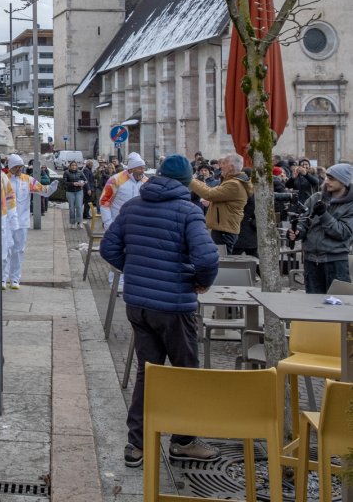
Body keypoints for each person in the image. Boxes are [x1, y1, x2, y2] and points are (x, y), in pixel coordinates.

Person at [100, 155, 220, 469]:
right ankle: (183, 441)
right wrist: (201, 282)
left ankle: (136, 444)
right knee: (184, 372)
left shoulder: (132, 207)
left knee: (148, 371)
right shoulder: (188, 211)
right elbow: (207, 258)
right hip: (174, 306)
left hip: (138, 305)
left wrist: (135, 271)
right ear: (186, 182)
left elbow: (108, 248)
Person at [286, 162, 353, 293]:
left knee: (337, 302)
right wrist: (298, 232)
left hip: (335, 262)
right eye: (327, 177)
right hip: (311, 261)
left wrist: (324, 215)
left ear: (343, 181)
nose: (327, 181)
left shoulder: (350, 205)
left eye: (332, 178)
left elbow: (343, 232)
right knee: (313, 304)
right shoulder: (316, 198)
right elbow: (304, 222)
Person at [4, 154, 56, 289]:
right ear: (11, 167)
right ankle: (2, 278)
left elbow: (43, 191)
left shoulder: (27, 180)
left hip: (22, 221)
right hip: (6, 222)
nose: (19, 169)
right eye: (16, 167)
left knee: (18, 250)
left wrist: (50, 189)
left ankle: (15, 279)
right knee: (5, 250)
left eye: (20, 167)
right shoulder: (3, 180)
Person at [188, 153, 252, 254]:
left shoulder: (234, 184)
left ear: (231, 167)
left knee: (223, 261)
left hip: (224, 232)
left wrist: (189, 180)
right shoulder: (231, 181)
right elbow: (211, 192)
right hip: (223, 230)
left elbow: (209, 194)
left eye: (224, 163)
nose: (221, 166)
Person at [98, 152, 148, 230]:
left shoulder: (146, 181)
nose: (142, 171)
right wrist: (108, 223)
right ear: (131, 169)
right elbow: (104, 201)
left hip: (137, 225)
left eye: (143, 168)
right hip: (118, 224)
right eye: (140, 168)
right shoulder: (116, 179)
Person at [63, 160, 86, 228]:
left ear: (77, 166)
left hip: (79, 191)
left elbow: (85, 180)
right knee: (72, 208)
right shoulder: (66, 172)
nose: (74, 166)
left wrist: (83, 183)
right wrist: (73, 183)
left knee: (79, 206)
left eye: (75, 165)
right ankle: (72, 222)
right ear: (70, 166)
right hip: (70, 192)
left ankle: (79, 222)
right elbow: (64, 182)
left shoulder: (80, 172)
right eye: (72, 165)